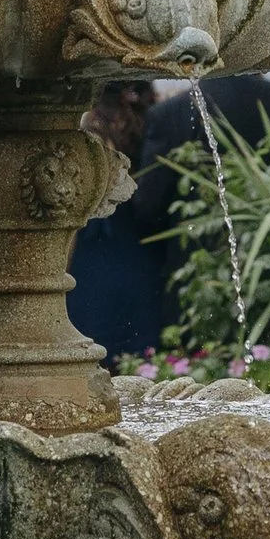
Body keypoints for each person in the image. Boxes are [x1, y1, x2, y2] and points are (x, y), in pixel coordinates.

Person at [66, 77, 164, 366]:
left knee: (94, 345)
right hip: (143, 258)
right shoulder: (155, 122)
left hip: (93, 260)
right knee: (140, 357)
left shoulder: (89, 134)